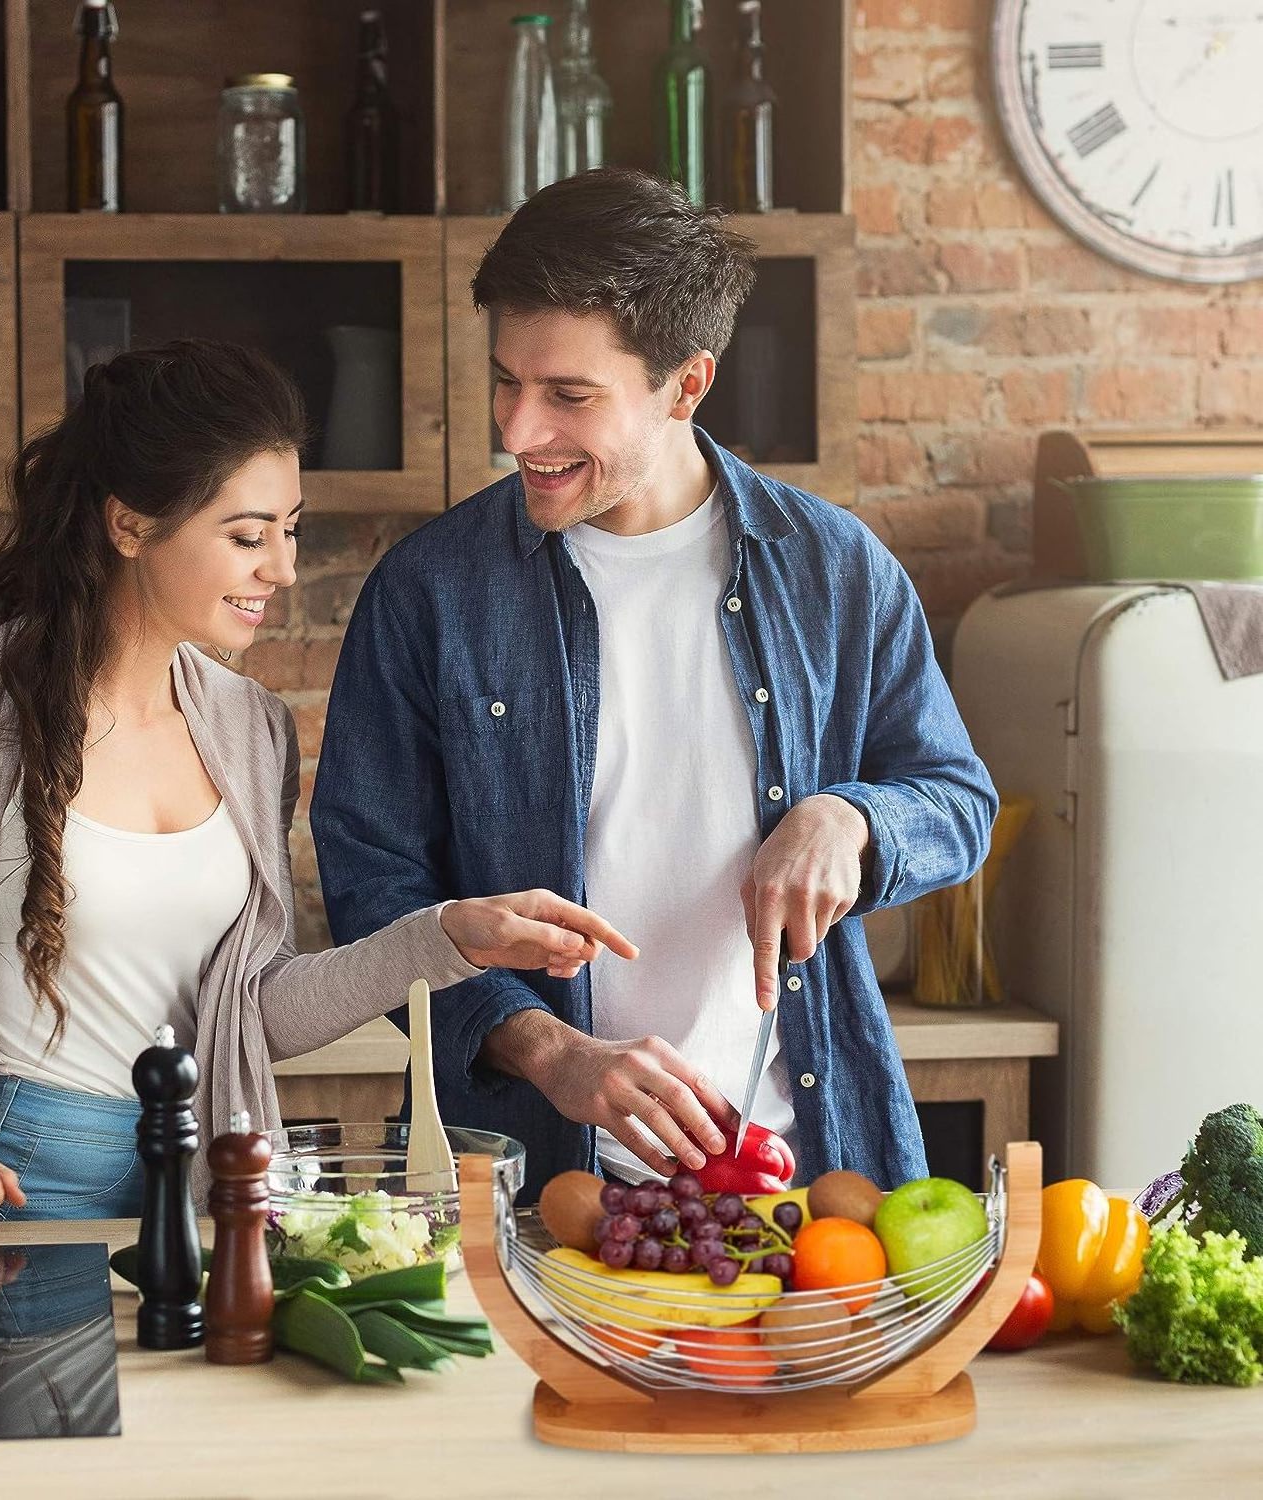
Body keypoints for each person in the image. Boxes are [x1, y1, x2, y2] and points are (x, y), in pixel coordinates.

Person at [0, 340, 632, 1235]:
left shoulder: (251, 728)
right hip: (11, 1179)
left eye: (289, 530)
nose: (283, 569)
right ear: (131, 525)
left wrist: (446, 937)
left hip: (212, 1178)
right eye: (248, 535)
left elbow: (250, 1012)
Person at [311, 169, 998, 1200]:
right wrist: (547, 1051)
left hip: (803, 1178)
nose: (518, 431)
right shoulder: (430, 593)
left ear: (687, 385)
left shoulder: (836, 572)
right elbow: (374, 890)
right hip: (529, 1188)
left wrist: (849, 822)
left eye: (569, 397)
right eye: (507, 380)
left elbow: (956, 800)